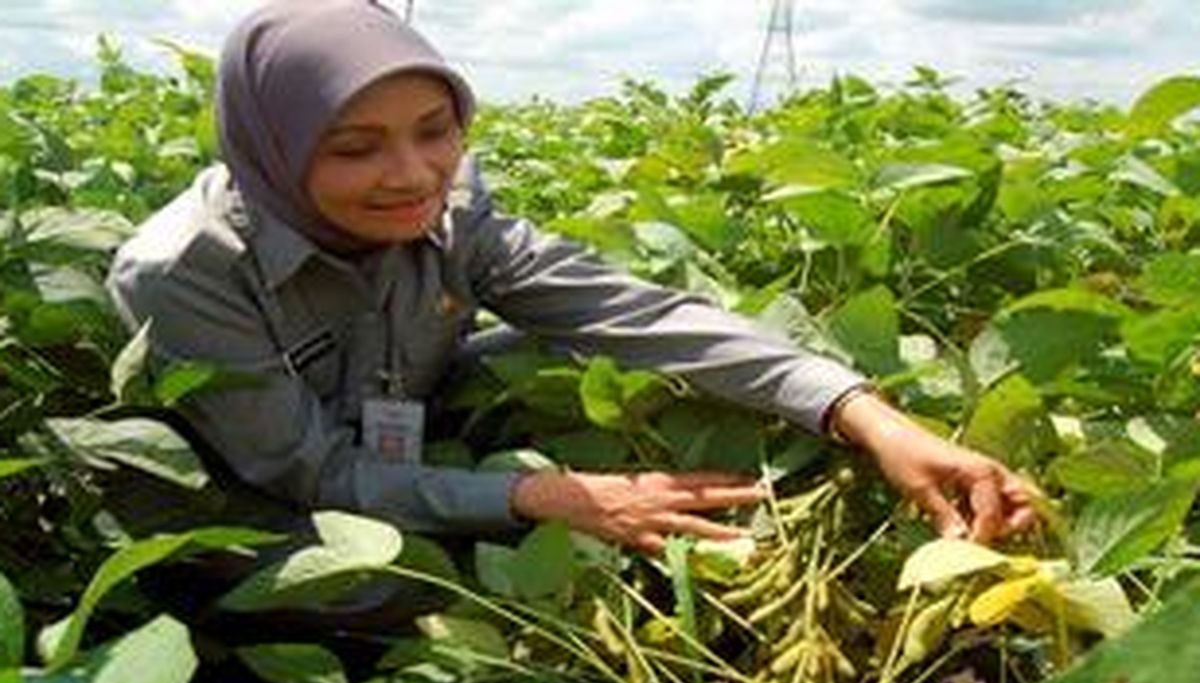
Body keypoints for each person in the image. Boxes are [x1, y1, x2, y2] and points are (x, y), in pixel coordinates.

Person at [106, 0, 1036, 562]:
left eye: (435, 130)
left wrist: (868, 417)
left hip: (412, 420)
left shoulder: (449, 205)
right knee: (392, 584)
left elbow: (631, 314)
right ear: (273, 147)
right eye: (355, 147)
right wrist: (547, 499)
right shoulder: (182, 272)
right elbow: (313, 471)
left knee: (618, 364)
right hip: (257, 494)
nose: (413, 175)